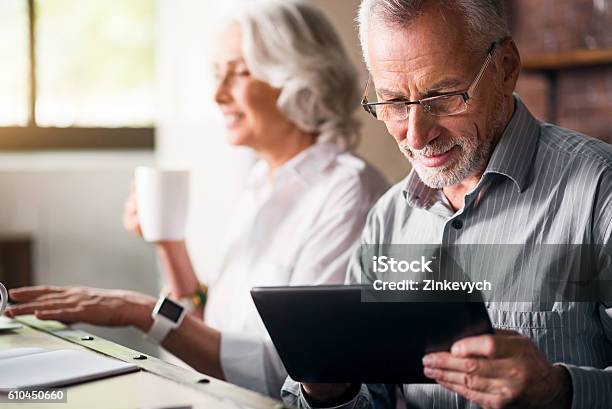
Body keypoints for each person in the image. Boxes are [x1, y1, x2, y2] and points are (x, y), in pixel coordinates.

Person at [6, 0, 389, 399]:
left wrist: (138, 311)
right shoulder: (261, 181)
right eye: (217, 75)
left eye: (239, 72)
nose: (218, 95)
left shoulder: (349, 195)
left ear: (300, 78)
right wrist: (169, 243)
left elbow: (295, 372)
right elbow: (213, 328)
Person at [281, 1, 612, 408]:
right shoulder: (388, 220)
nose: (416, 137)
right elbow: (376, 396)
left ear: (506, 66)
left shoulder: (600, 193)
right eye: (395, 102)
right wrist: (331, 392)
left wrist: (558, 389)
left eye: (442, 96)